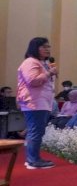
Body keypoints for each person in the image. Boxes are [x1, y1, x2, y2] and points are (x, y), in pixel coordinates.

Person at [16, 37, 57, 169]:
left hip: (41, 102)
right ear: (35, 48)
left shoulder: (40, 63)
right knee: (35, 131)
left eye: (48, 47)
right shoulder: (30, 62)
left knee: (37, 131)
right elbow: (32, 81)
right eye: (44, 47)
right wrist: (50, 72)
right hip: (34, 102)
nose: (47, 49)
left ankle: (34, 158)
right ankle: (33, 160)